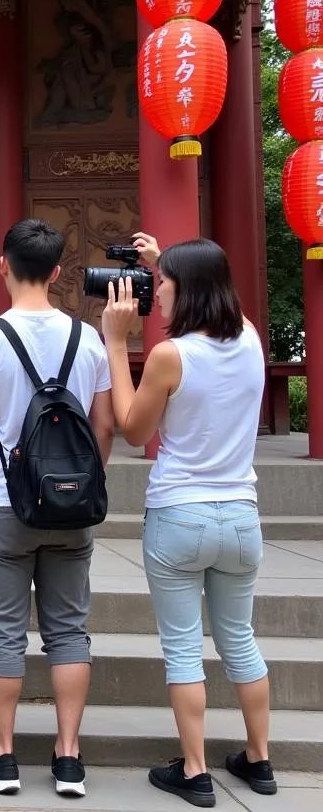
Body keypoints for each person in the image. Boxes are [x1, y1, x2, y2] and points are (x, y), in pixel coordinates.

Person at [102, 233, 274, 808]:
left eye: (164, 283)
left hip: (180, 513)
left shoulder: (171, 355)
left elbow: (133, 429)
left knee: (182, 648)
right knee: (241, 642)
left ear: (188, 290)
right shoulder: (250, 338)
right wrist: (162, 260)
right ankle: (259, 760)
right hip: (242, 517)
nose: (156, 290)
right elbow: (218, 293)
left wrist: (114, 341)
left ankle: (196, 770)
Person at [0, 219, 114, 798]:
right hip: (71, 509)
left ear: (2, 266)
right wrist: (83, 486)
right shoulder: (90, 338)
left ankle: (2, 757)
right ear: (55, 272)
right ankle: (68, 758)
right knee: (69, 630)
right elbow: (104, 424)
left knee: (2, 633)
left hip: (5, 503)